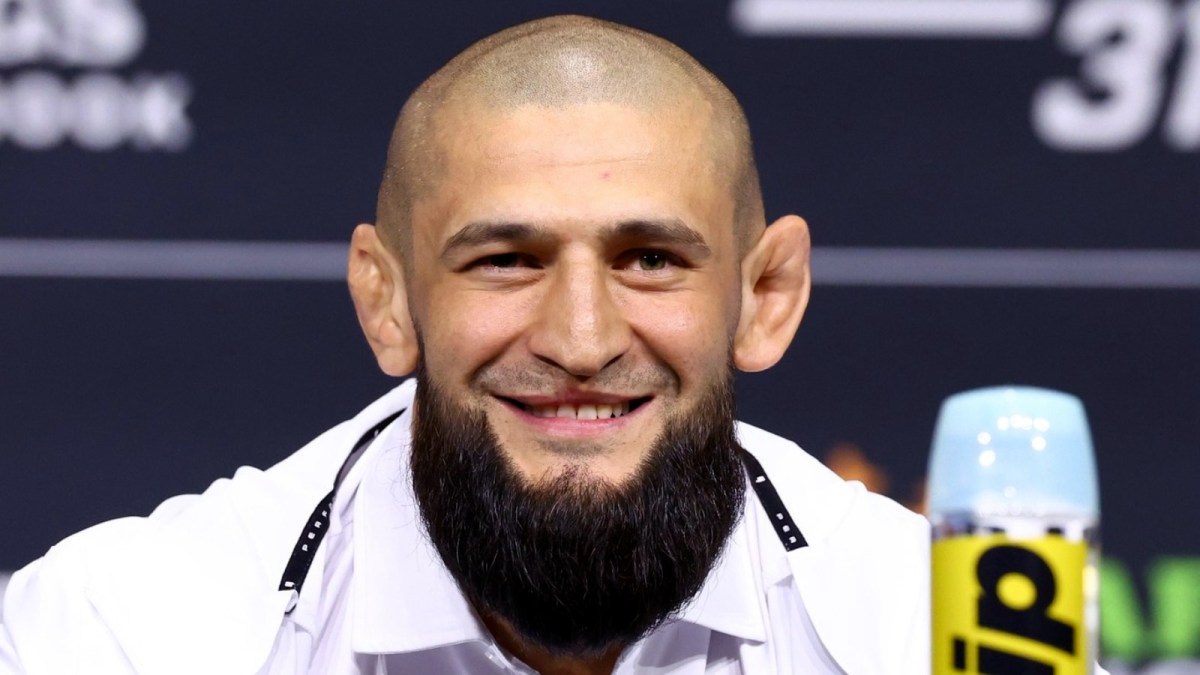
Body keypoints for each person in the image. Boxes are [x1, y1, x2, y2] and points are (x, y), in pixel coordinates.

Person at [0, 15, 932, 674]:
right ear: (388, 301)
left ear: (766, 296)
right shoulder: (119, 633)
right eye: (506, 260)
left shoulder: (932, 629)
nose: (582, 340)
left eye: (650, 259)